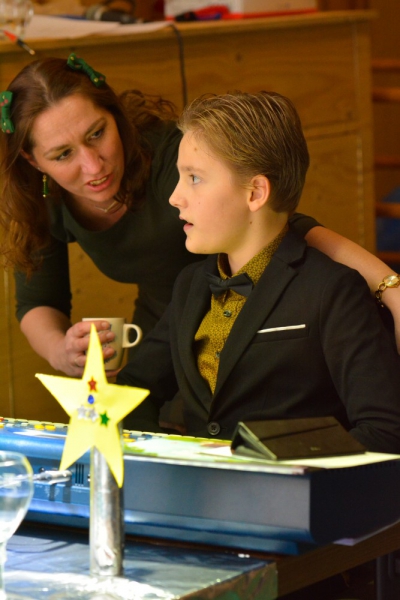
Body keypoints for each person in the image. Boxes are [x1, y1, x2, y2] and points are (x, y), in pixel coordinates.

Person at [1, 56, 400, 382]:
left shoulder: (169, 155)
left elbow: (283, 224)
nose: (93, 165)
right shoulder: (40, 199)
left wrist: (390, 287)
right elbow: (38, 302)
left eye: (96, 134)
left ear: (114, 115)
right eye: (63, 155)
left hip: (251, 319)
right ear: (32, 161)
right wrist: (60, 350)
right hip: (164, 328)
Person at [117, 91, 400, 454]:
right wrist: (164, 456)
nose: (175, 197)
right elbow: (129, 391)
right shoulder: (190, 284)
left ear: (255, 192)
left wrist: (268, 462)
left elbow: (385, 430)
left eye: (194, 178)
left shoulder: (332, 290)